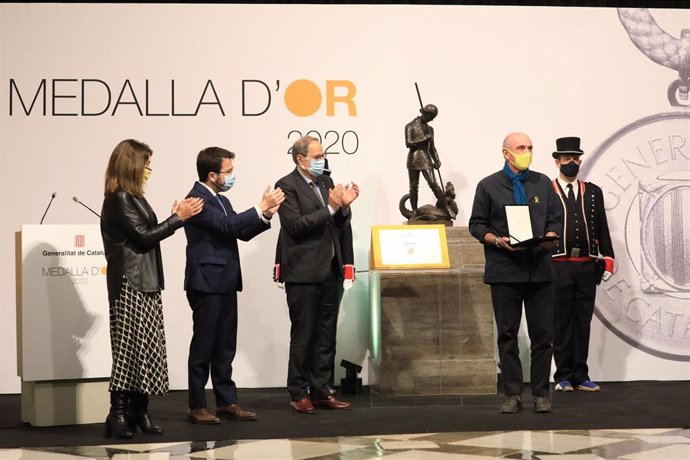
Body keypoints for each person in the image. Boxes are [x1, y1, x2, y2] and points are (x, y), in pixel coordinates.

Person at [100, 139, 203, 438]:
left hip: (146, 281)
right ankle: (117, 413)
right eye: (145, 164)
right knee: (128, 350)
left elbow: (146, 234)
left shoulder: (135, 198)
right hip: (129, 282)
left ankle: (139, 411)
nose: (149, 169)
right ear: (132, 164)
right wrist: (178, 218)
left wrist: (173, 217)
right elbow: (144, 238)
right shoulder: (118, 198)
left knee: (146, 348)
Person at [183, 147, 284, 424]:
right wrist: (258, 208)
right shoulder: (196, 199)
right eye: (228, 172)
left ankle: (226, 402)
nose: (231, 176)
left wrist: (265, 216)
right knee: (204, 345)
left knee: (225, 345)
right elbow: (227, 226)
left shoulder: (222, 200)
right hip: (206, 281)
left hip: (225, 280)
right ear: (212, 174)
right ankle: (196, 405)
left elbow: (239, 231)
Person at [469, 132, 562, 414]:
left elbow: (556, 218)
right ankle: (512, 394)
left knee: (542, 336)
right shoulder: (488, 186)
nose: (527, 152)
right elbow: (477, 224)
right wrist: (496, 240)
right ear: (506, 154)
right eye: (521, 148)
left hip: (539, 270)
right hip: (505, 270)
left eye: (530, 147)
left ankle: (541, 394)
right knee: (507, 335)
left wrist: (551, 234)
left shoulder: (543, 183)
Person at [275, 136, 359, 414]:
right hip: (303, 272)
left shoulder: (325, 181)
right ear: (300, 159)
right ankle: (298, 391)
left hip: (330, 271)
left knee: (326, 334)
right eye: (317, 155)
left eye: (323, 154)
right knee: (304, 334)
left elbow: (338, 224)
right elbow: (296, 225)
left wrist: (344, 207)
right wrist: (332, 208)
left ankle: (322, 389)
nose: (322, 159)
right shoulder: (286, 185)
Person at [550, 137, 614, 393]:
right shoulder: (547, 191)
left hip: (587, 266)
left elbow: (603, 228)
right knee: (561, 322)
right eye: (567, 159)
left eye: (576, 158)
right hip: (558, 266)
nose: (572, 163)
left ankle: (581, 374)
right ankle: (563, 376)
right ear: (557, 162)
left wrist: (608, 259)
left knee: (582, 321)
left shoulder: (593, 191)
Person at [405, 103, 446, 212]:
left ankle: (446, 207)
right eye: (431, 117)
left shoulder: (430, 129)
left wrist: (436, 160)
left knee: (433, 183)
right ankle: (414, 212)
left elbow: (432, 147)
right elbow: (408, 143)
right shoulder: (410, 126)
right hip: (413, 158)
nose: (431, 120)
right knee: (414, 186)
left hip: (426, 157)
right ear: (425, 113)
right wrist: (424, 139)